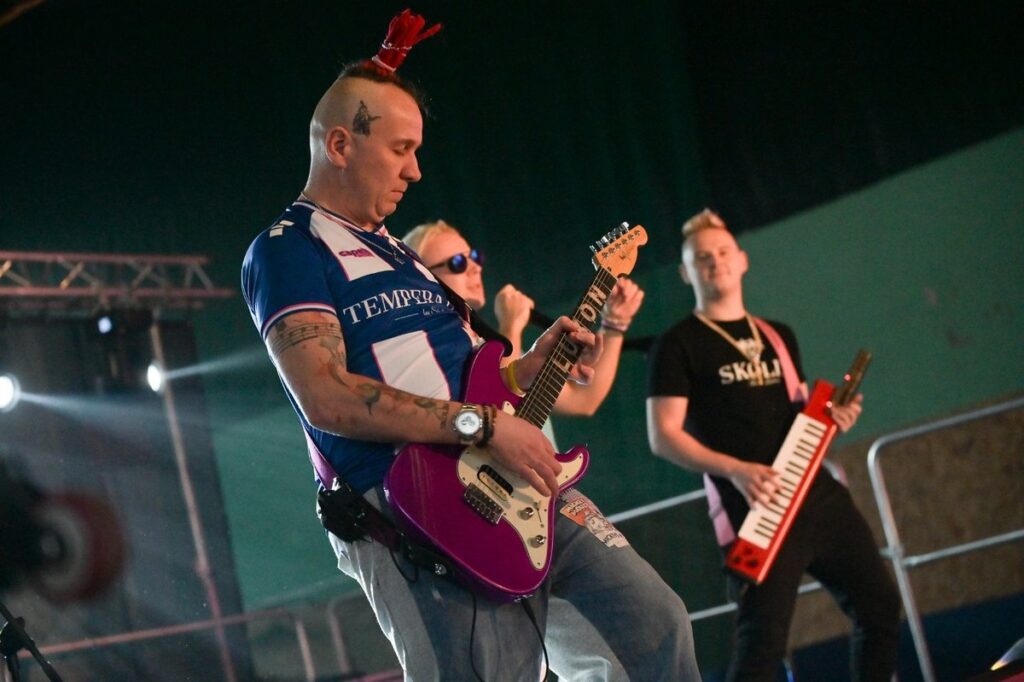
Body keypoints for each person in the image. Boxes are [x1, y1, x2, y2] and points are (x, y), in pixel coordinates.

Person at [241, 12, 699, 681]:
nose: (417, 171)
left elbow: (461, 375)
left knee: (656, 626)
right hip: (408, 506)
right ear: (340, 145)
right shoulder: (288, 249)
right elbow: (326, 394)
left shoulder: (401, 252)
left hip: (513, 474)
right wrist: (486, 424)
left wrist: (523, 370)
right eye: (401, 150)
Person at [645, 209, 900, 681]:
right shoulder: (677, 344)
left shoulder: (777, 335)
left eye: (723, 253)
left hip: (815, 496)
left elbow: (801, 416)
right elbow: (663, 437)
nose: (715, 263)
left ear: (742, 260)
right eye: (702, 258)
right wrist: (737, 469)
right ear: (686, 272)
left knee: (882, 607)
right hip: (754, 508)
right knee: (763, 647)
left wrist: (834, 419)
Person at [402, 219, 645, 418]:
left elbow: (583, 401)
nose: (475, 267)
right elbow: (495, 405)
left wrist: (614, 325)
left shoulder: (482, 340)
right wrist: (511, 325)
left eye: (474, 256)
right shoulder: (430, 347)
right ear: (424, 279)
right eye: (458, 263)